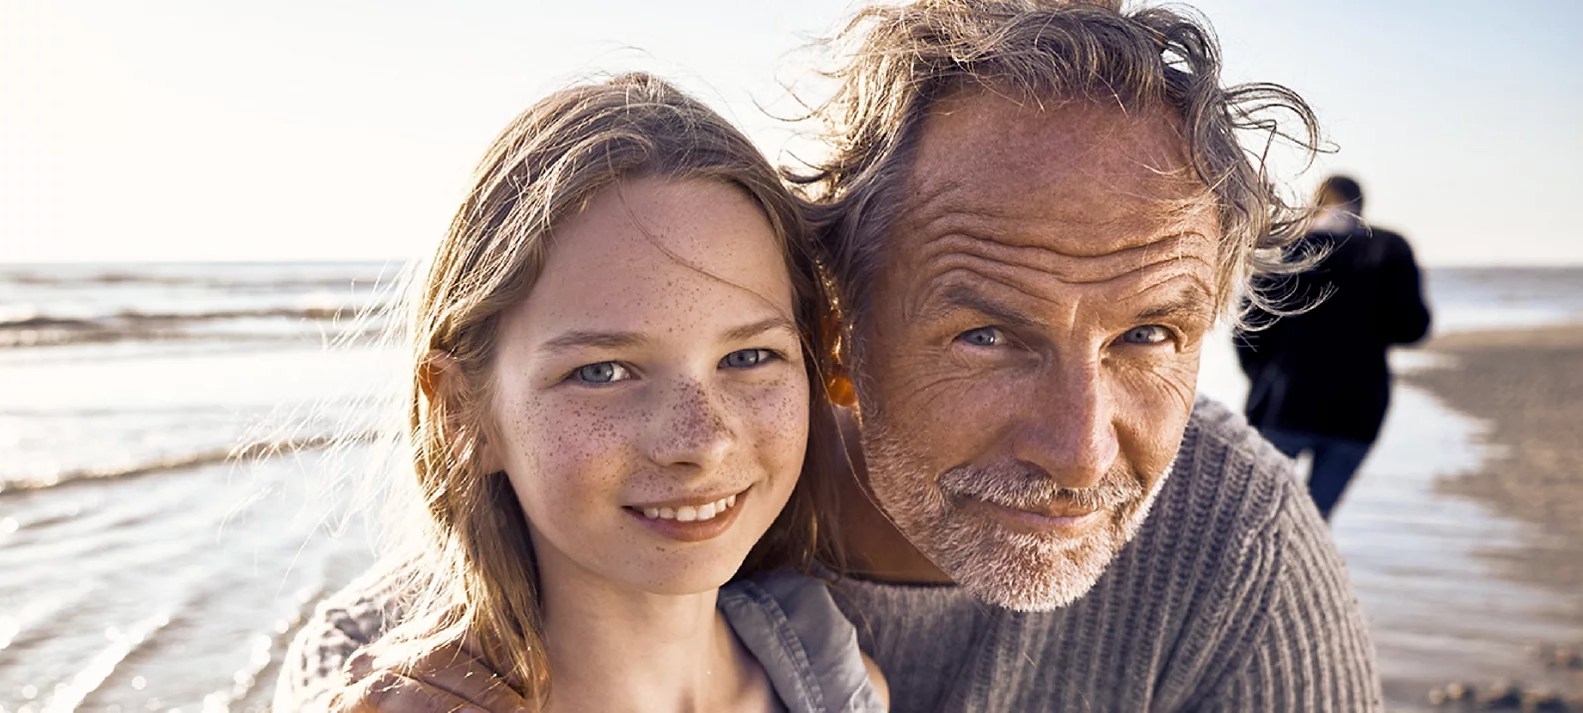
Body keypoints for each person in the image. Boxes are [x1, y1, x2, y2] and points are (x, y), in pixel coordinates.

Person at [286, 1, 1382, 710]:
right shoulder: (406, 673)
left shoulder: (1233, 553)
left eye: (1147, 335)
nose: (1080, 450)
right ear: (836, 334)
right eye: (988, 334)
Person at [273, 73, 889, 712]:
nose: (702, 441)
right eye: (604, 371)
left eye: (748, 357)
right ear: (461, 413)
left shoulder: (844, 690)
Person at [1236, 176, 1431, 521]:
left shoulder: (1286, 246)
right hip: (1359, 407)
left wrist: (1262, 375)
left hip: (1284, 401)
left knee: (1252, 517)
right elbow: (1412, 329)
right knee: (1313, 525)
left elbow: (1247, 328)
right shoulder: (1390, 248)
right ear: (1361, 206)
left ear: (1316, 204)